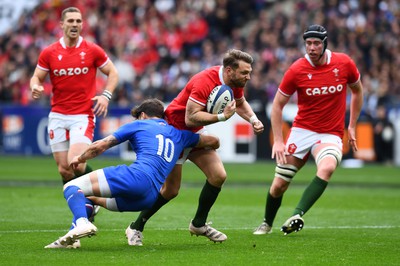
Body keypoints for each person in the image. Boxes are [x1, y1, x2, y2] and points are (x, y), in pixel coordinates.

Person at [127, 49, 264, 246]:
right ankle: (135, 226)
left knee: (218, 175)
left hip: (195, 132)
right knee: (171, 190)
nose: (248, 77)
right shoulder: (204, 80)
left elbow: (240, 102)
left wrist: (253, 119)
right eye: (244, 72)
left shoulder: (234, 83)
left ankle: (198, 224)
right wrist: (221, 117)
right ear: (229, 70)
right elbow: (189, 117)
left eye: (249, 72)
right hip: (175, 132)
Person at [44, 98, 220, 248]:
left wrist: (80, 159)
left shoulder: (139, 124)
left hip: (135, 178)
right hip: (148, 198)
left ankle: (82, 223)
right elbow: (214, 140)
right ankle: (73, 234)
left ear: (142, 115)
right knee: (87, 197)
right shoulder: (180, 135)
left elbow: (102, 145)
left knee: (71, 186)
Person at [253, 24, 364, 235]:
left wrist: (351, 126)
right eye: (308, 43)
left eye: (316, 43)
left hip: (330, 133)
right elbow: (277, 105)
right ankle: (267, 223)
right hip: (302, 131)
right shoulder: (297, 69)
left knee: (327, 167)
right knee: (278, 187)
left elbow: (358, 91)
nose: (311, 48)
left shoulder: (344, 63)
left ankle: (297, 214)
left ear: (325, 44)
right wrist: (278, 140)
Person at [30, 7, 118, 219]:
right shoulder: (49, 52)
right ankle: (86, 205)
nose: (75, 24)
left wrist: (106, 95)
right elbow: (36, 77)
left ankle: (96, 196)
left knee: (76, 162)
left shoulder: (91, 50)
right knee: (64, 170)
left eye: (78, 21)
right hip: (58, 115)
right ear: (62, 25)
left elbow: (112, 72)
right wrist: (35, 86)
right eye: (70, 21)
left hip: (82, 115)